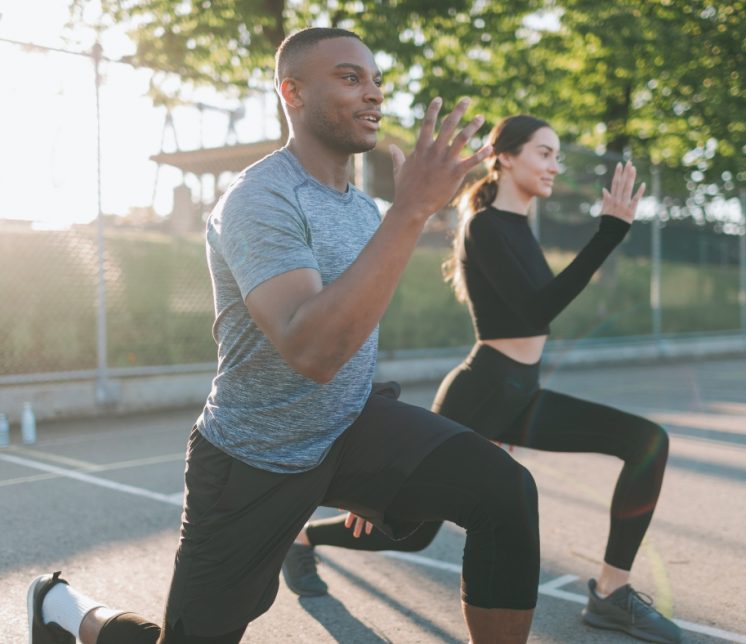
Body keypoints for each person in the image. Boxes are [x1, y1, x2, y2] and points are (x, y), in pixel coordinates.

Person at [28, 28, 542, 644]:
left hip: (349, 430)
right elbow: (312, 350)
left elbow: (354, 333)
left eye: (376, 80)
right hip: (254, 457)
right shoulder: (258, 199)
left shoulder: (359, 209)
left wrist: (380, 459)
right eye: (351, 78)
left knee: (505, 493)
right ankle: (64, 607)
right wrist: (412, 211)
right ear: (291, 91)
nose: (373, 93)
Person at [283, 115, 683, 644]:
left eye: (557, 155)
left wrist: (608, 234)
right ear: (506, 156)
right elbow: (537, 310)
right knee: (410, 533)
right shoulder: (486, 225)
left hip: (524, 393)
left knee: (646, 441)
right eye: (544, 152)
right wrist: (608, 233)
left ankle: (610, 593)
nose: (554, 166)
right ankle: (303, 539)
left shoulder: (518, 228)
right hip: (482, 392)